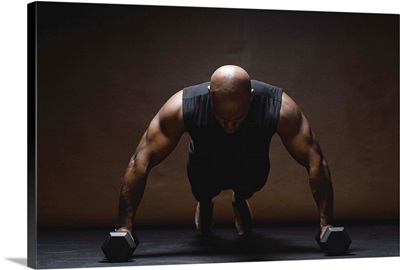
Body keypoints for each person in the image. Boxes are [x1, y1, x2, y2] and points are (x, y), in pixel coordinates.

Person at [115, 65, 334, 239]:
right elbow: (140, 160)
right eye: (222, 119)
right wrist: (124, 227)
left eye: (237, 119)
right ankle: (204, 201)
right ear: (210, 95)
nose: (229, 126)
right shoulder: (182, 106)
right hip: (205, 165)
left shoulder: (279, 108)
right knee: (202, 188)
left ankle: (240, 199)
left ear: (251, 96)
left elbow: (315, 160)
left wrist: (327, 226)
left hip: (251, 166)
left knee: (249, 185)